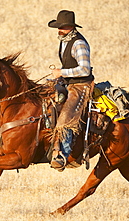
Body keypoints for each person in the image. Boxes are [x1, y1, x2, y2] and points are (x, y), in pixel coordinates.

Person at [48, 10, 94, 171]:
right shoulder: (65, 40)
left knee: (67, 116)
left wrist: (62, 72)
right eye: (58, 27)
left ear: (70, 27)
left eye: (62, 27)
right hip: (68, 82)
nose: (58, 31)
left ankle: (62, 155)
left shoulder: (79, 43)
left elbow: (85, 69)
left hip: (81, 85)